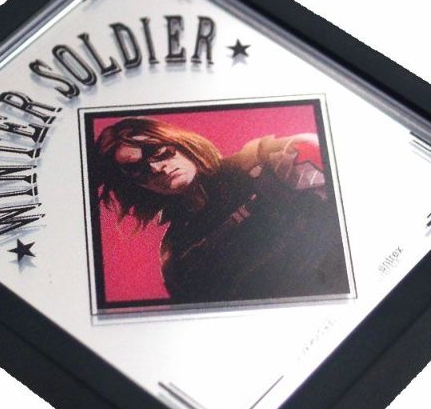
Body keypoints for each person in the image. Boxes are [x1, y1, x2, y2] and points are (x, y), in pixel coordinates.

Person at [94, 116, 349, 304]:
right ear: (135, 185)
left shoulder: (267, 160)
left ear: (178, 142)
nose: (156, 167)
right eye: (136, 168)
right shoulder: (177, 256)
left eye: (157, 151)